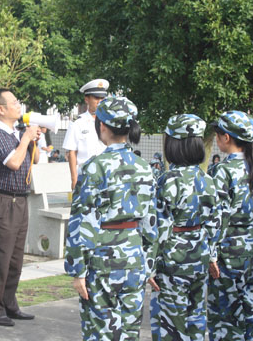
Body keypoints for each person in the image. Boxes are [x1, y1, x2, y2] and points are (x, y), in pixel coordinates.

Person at [64, 96, 158, 340]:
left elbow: (81, 222)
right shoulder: (144, 166)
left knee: (101, 331)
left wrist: (78, 269)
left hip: (102, 260)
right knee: (129, 332)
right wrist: (148, 264)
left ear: (102, 126)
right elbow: (151, 222)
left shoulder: (95, 167)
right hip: (134, 258)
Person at [149, 114, 219, 341]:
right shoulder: (207, 179)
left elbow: (159, 229)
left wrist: (150, 266)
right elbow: (214, 223)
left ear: (174, 145)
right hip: (200, 257)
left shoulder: (168, 180)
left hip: (173, 260)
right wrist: (212, 255)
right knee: (196, 319)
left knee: (171, 324)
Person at [207, 111, 253, 341]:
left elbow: (219, 216)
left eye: (218, 135)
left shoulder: (223, 170)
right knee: (249, 311)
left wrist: (211, 253)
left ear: (226, 137)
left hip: (228, 249)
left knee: (224, 315)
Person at [0, 88, 40, 327]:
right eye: (14, 103)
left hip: (20, 200)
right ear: (1, 109)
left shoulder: (17, 133)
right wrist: (25, 139)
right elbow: (14, 163)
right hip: (1, 201)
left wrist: (34, 138)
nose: (19, 106)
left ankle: (9, 304)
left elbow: (35, 159)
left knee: (15, 259)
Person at [63, 79, 109, 189]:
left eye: (102, 98)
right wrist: (74, 179)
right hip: (86, 177)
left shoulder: (109, 122)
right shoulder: (78, 123)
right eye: (96, 98)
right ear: (87, 99)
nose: (100, 101)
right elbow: (72, 152)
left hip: (106, 176)